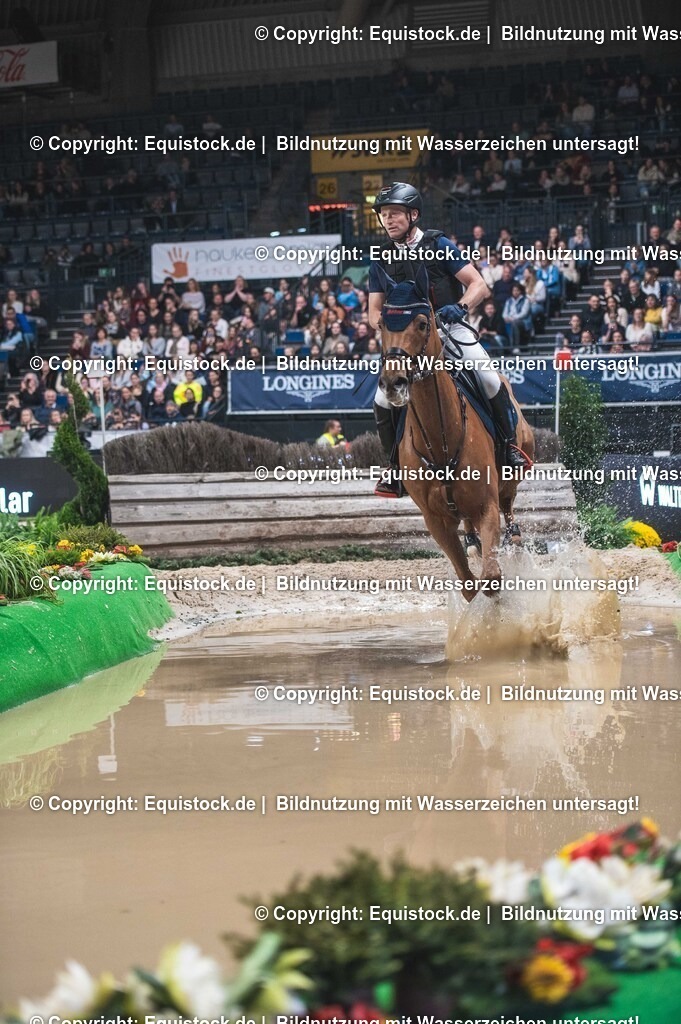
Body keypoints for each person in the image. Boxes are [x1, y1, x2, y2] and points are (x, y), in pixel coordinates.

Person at [368, 182, 528, 496]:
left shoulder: (438, 244)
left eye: (395, 214)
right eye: (384, 214)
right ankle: (394, 467)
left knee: (488, 377)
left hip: (448, 330)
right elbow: (373, 312)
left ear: (413, 214)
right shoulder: (381, 257)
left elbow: (478, 284)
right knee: (382, 398)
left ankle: (509, 448)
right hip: (408, 343)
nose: (388, 220)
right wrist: (390, 328)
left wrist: (461, 306)